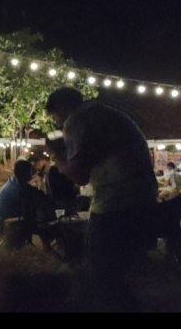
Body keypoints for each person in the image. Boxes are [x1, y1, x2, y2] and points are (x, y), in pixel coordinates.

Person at [45, 86, 158, 312]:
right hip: (143, 199)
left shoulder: (76, 120)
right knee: (118, 276)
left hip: (116, 202)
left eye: (55, 117)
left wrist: (56, 154)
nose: (58, 124)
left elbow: (79, 176)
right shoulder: (105, 114)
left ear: (62, 108)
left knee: (101, 275)